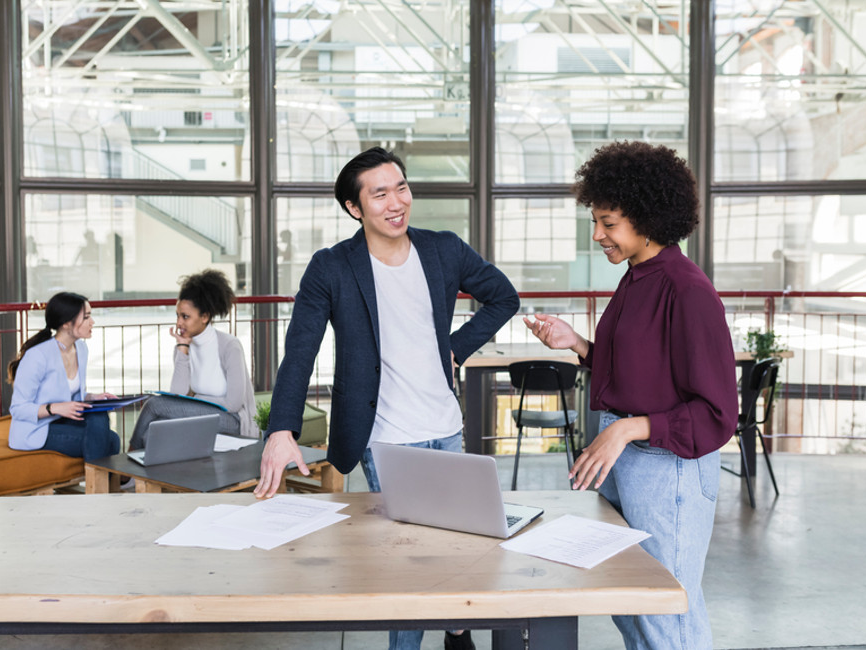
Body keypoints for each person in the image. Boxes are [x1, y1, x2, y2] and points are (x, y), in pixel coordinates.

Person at [254, 146, 520, 650]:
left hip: (446, 424)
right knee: (412, 558)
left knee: (459, 544)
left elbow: (504, 296)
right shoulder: (331, 267)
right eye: (380, 193)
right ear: (356, 208)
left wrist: (455, 348)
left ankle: (457, 630)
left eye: (401, 187)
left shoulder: (443, 249)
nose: (396, 201)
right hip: (388, 438)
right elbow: (299, 350)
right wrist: (281, 429)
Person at [524, 141, 737, 650]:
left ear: (647, 218)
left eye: (609, 223)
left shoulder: (687, 291)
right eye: (595, 221)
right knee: (629, 605)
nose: (597, 234)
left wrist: (627, 428)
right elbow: (642, 374)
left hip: (671, 470)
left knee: (667, 611)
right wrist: (576, 344)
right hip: (628, 461)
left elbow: (717, 415)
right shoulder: (637, 278)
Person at [128, 269, 256, 449]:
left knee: (153, 404)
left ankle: (124, 468)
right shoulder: (184, 348)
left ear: (205, 317)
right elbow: (178, 395)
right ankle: (136, 477)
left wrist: (198, 397)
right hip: (205, 415)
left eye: (185, 317)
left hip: (232, 421)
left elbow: (233, 404)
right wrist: (183, 349)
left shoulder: (229, 346)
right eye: (178, 316)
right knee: (151, 433)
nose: (179, 323)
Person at [8, 292, 120, 461]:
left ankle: (103, 483)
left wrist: (92, 397)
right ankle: (104, 484)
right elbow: (18, 408)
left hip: (64, 420)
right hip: (37, 429)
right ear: (67, 323)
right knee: (110, 441)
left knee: (100, 415)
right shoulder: (37, 356)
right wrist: (54, 408)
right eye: (86, 317)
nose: (92, 322)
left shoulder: (81, 349)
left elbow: (71, 396)